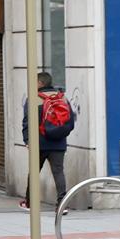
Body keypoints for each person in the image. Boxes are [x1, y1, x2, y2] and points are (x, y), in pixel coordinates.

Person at [19, 71, 76, 211]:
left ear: (40, 83)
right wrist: (60, 134)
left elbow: (27, 122)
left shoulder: (34, 98)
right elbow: (70, 122)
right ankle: (63, 204)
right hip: (59, 143)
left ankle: (29, 203)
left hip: (39, 143)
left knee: (33, 172)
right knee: (58, 172)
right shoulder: (62, 98)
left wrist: (27, 140)